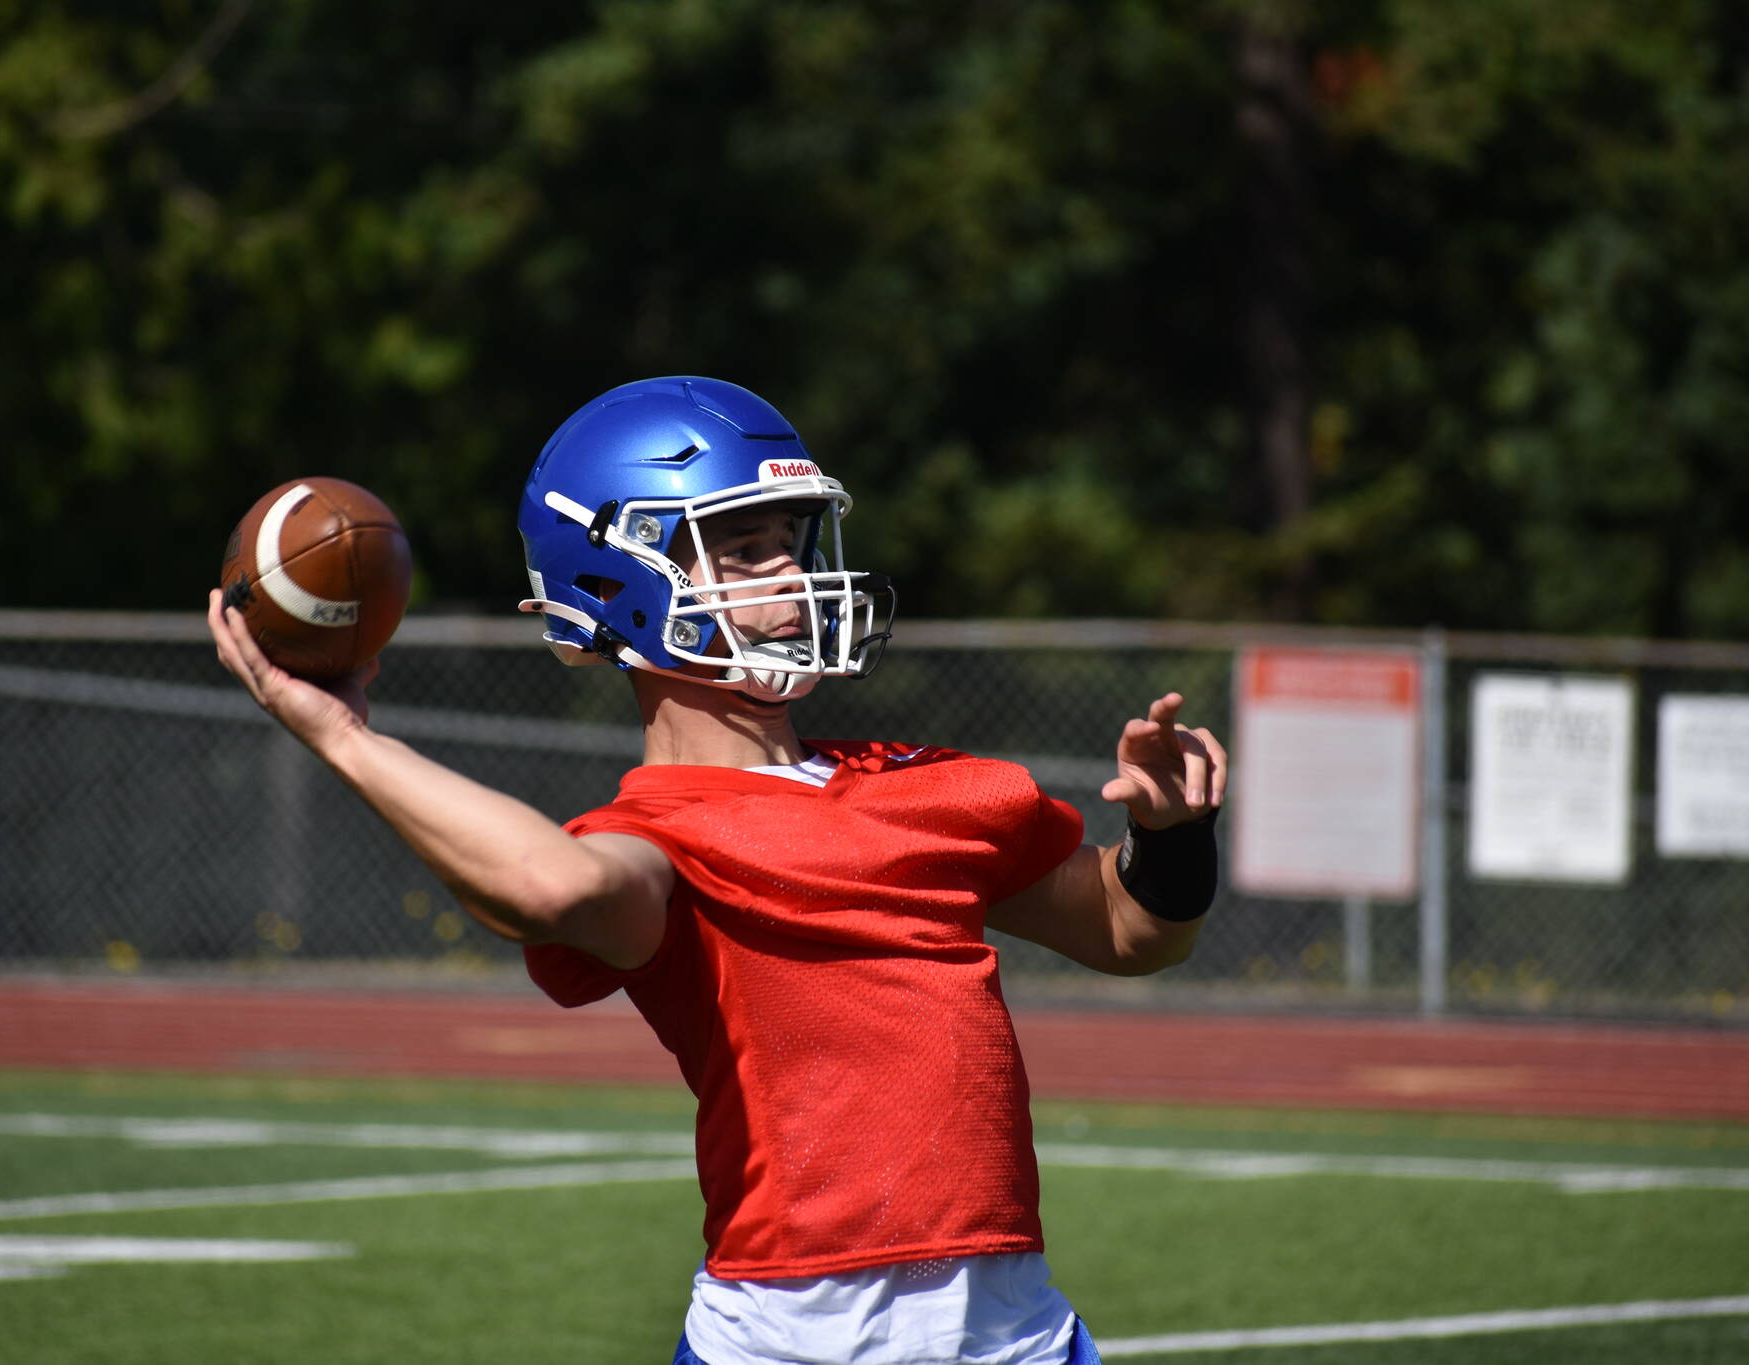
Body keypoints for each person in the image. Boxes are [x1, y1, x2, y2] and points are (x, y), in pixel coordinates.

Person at [207, 376, 1227, 1365]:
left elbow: (1132, 931)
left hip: (1018, 1332)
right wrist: (340, 735)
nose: (789, 573)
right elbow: (552, 888)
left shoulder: (925, 784)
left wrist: (1171, 833)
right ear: (616, 583)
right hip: (793, 1337)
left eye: (789, 540)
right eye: (742, 549)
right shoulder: (656, 836)